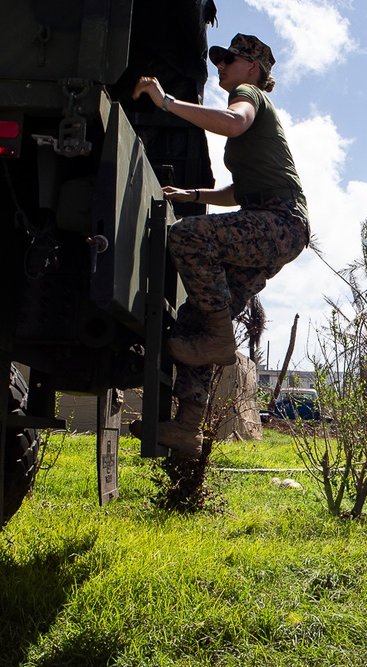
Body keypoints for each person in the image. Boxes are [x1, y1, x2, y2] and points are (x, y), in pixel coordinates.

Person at [131, 34, 309, 458]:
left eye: (229, 59)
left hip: (280, 222)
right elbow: (241, 192)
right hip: (272, 223)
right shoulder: (251, 128)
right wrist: (193, 195)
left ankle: (219, 336)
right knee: (196, 319)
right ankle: (187, 427)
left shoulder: (248, 97)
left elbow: (234, 122)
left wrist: (166, 102)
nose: (221, 66)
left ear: (253, 68)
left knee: (189, 236)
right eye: (219, 60)